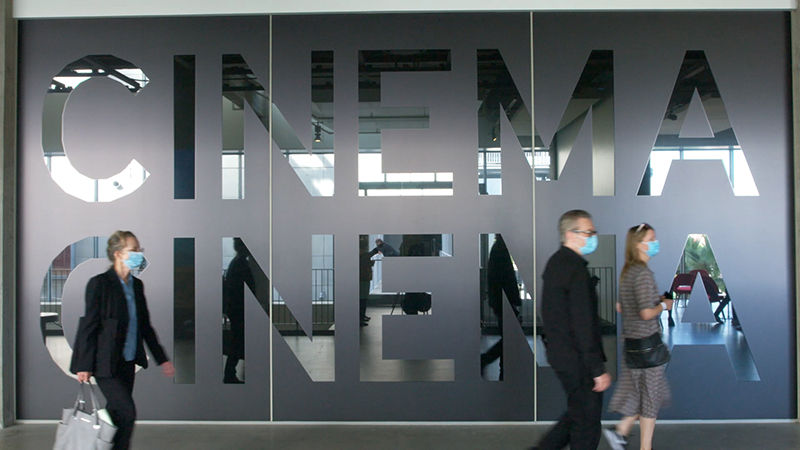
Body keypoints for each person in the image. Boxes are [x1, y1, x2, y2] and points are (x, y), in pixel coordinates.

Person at [70, 231, 175, 450]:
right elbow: (89, 325)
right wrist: (83, 364)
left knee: (117, 414)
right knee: (127, 411)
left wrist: (162, 358)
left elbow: (145, 326)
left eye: (139, 249)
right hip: (105, 363)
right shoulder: (99, 284)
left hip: (127, 361)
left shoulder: (136, 286)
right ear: (118, 253)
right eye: (133, 250)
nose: (139, 254)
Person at [532, 210, 610, 450]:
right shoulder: (575, 270)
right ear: (570, 234)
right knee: (587, 423)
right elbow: (583, 323)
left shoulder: (556, 263)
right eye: (588, 232)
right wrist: (596, 368)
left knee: (578, 413)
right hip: (577, 359)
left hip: (562, 354)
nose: (593, 237)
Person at [604, 223, 673, 450]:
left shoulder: (628, 273)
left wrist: (655, 300)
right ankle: (642, 445)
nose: (655, 243)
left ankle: (621, 432)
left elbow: (620, 306)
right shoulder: (643, 274)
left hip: (632, 344)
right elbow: (645, 313)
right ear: (639, 245)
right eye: (651, 239)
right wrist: (664, 305)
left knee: (641, 394)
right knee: (650, 398)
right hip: (648, 345)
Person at [480, 234, 521, 380]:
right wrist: (516, 299)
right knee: (510, 337)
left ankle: (501, 367)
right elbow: (508, 279)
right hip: (504, 301)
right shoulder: (501, 251)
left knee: (508, 336)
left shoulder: (497, 249)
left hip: (500, 301)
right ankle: (495, 363)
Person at [222, 238, 254, 383]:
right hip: (239, 309)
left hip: (235, 308)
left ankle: (230, 372)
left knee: (237, 340)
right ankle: (229, 372)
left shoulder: (235, 263)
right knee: (238, 341)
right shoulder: (241, 264)